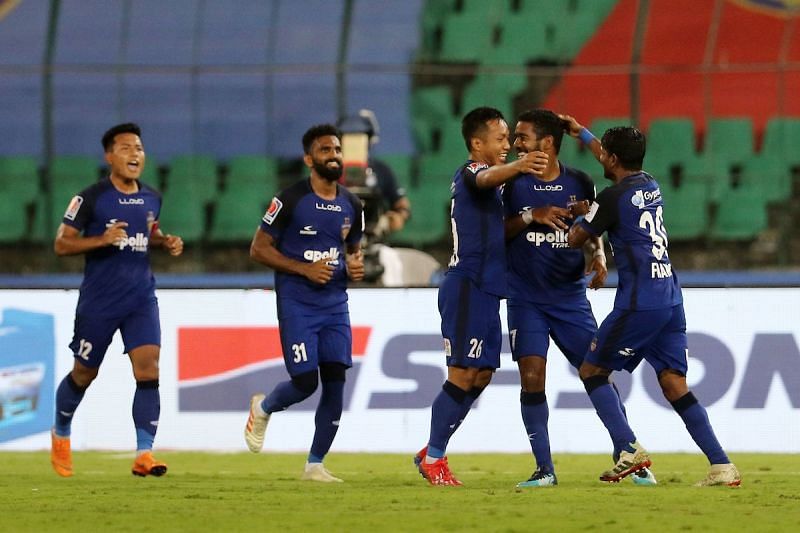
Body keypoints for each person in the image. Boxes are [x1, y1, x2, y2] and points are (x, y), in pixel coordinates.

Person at [562, 116, 741, 487]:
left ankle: (628, 448)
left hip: (640, 302)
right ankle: (721, 465)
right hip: (670, 297)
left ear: (611, 159)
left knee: (592, 371)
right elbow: (611, 163)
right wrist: (582, 133)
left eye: (604, 155)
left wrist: (578, 213)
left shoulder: (610, 198)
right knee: (674, 382)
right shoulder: (650, 184)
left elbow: (574, 239)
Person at [503, 109, 656, 487]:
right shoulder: (511, 184)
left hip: (570, 298)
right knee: (532, 376)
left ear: (548, 143)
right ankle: (544, 470)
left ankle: (628, 452)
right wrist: (530, 217)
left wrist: (599, 256)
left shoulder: (581, 181)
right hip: (526, 298)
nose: (515, 144)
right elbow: (495, 232)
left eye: (523, 137)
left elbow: (594, 225)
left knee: (595, 370)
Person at [414, 106, 548, 486]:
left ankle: (431, 451)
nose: (508, 145)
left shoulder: (495, 187)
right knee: (462, 372)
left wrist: (527, 217)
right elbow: (487, 177)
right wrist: (522, 166)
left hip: (489, 289)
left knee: (483, 374)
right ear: (477, 143)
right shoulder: (471, 172)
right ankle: (435, 457)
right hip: (467, 284)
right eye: (501, 138)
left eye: (509, 138)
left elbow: (498, 227)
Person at [50, 123, 184, 478]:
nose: (134, 154)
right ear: (109, 156)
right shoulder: (90, 198)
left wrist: (164, 241)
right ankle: (61, 432)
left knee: (148, 367)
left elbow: (147, 231)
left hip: (141, 296)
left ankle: (144, 454)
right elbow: (62, 244)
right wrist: (101, 240)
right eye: (125, 148)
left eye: (138, 148)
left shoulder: (152, 197)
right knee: (84, 373)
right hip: (100, 300)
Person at [244, 124, 365, 482]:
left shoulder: (352, 204)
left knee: (335, 380)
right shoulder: (290, 200)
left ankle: (315, 465)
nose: (334, 155)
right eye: (325, 150)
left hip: (334, 304)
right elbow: (258, 249)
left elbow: (354, 253)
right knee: (304, 381)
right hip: (298, 302)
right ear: (309, 159)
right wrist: (303, 268)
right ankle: (263, 408)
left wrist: (355, 268)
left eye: (337, 149)